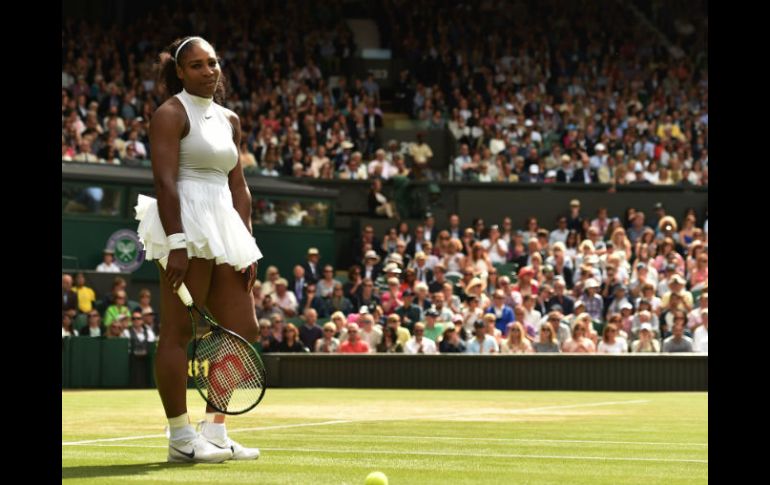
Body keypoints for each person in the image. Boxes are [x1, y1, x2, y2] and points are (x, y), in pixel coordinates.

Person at [133, 37, 262, 463]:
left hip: (224, 225)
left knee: (243, 329)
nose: (209, 71)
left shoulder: (230, 119)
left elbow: (238, 186)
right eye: (197, 65)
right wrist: (177, 242)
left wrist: (246, 244)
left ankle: (215, 432)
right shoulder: (170, 113)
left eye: (213, 62)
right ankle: (180, 437)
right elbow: (165, 181)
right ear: (180, 72)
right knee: (178, 332)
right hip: (184, 223)